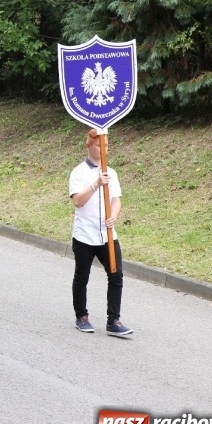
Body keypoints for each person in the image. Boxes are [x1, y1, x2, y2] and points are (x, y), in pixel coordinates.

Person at [70, 129, 132, 337]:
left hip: (107, 235)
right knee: (82, 276)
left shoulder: (111, 173)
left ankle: (113, 320)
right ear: (88, 146)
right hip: (85, 235)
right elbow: (78, 201)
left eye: (105, 145)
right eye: (98, 145)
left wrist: (113, 215)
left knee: (116, 275)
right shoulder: (79, 172)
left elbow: (116, 199)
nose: (102, 149)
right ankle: (82, 316)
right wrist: (96, 184)